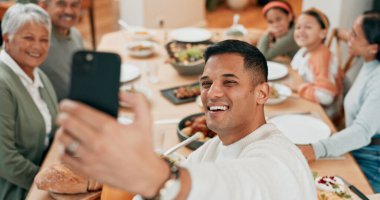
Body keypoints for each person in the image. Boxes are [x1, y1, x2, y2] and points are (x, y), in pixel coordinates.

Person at [56, 40, 316, 199]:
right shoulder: (213, 148)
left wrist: (157, 178)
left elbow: (242, 186)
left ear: (262, 93)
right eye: (206, 83)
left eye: (229, 81)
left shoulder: (278, 158)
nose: (211, 92)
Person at [298, 11, 380, 193]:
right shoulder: (370, 62)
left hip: (372, 161)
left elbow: (362, 131)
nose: (347, 37)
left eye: (354, 34)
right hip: (358, 146)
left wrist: (317, 148)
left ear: (373, 47)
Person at [0, 4, 58, 200]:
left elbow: (55, 130)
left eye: (44, 39)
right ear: (7, 39)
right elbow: (5, 162)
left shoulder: (36, 73)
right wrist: (55, 184)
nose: (37, 47)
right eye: (28, 38)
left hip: (46, 176)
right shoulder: (2, 84)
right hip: (18, 190)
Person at [291, 8, 342, 118]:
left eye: (308, 27)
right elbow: (294, 69)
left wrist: (299, 87)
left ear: (323, 33)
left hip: (322, 112)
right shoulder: (305, 50)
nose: (301, 31)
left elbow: (326, 96)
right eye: (298, 27)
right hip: (307, 99)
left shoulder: (321, 58)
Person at [39, 0, 84, 101]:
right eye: (61, 4)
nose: (69, 11)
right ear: (44, 6)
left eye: (74, 5)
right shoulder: (37, 43)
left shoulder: (76, 34)